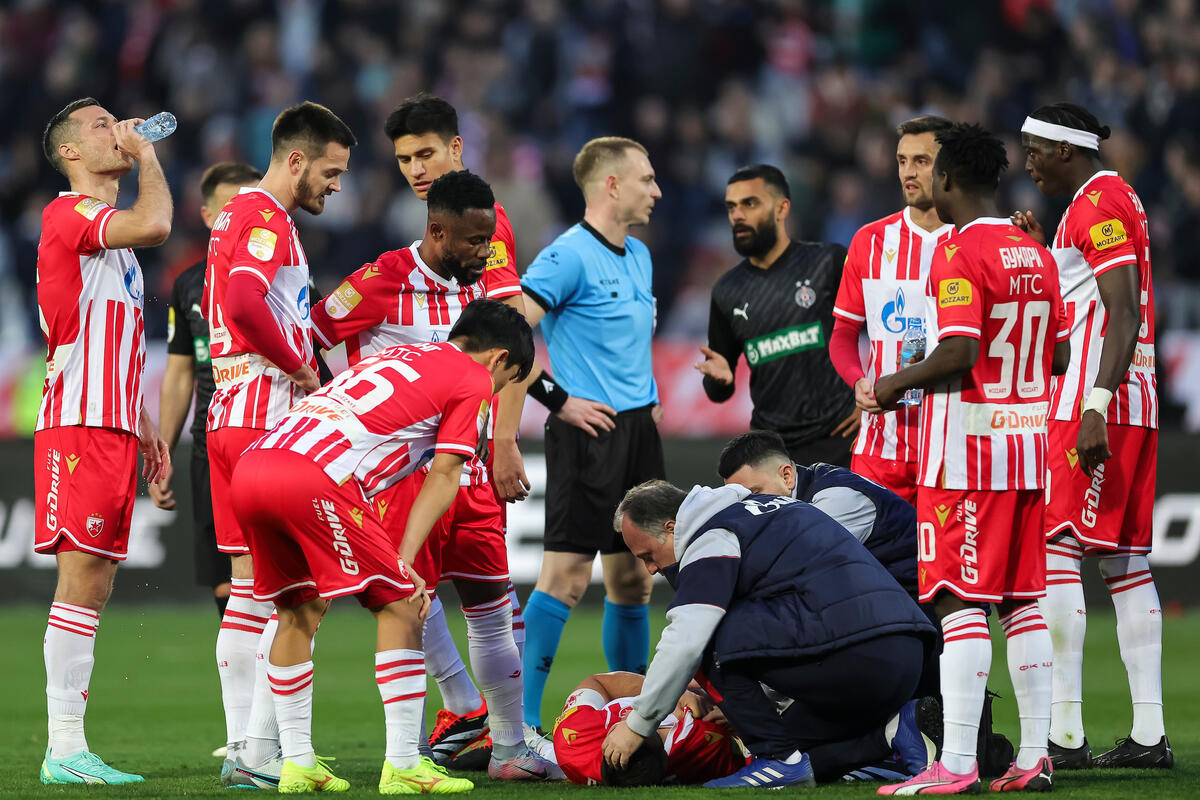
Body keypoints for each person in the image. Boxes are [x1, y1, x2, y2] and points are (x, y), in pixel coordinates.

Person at [311, 169, 558, 780]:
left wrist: (502, 441)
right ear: (438, 231)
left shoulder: (488, 288)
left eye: (489, 240)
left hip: (469, 472)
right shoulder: (381, 279)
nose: (486, 251)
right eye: (475, 241)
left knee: (492, 608)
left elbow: (515, 363)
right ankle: (411, 753)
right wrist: (342, 408)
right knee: (406, 607)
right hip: (405, 480)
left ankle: (508, 748)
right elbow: (311, 336)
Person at [230, 299, 534, 793]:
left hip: (255, 465)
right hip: (316, 475)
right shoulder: (474, 378)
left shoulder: (395, 355)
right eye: (506, 381)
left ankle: (298, 763)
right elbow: (445, 474)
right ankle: (404, 765)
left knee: (297, 612)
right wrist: (404, 560)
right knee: (403, 605)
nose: (496, 392)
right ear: (499, 358)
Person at [871, 123, 1070, 795]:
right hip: (1027, 448)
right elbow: (1059, 356)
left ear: (947, 178)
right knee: (1022, 603)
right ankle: (1035, 756)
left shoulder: (956, 251)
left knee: (959, 603)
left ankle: (955, 763)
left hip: (966, 457)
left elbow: (958, 351)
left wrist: (893, 384)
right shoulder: (1033, 250)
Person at [373, 93, 546, 768]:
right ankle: (450, 724)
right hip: (409, 455)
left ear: (456, 149)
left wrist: (503, 441)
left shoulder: (485, 225)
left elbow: (512, 336)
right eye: (404, 159)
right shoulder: (409, 240)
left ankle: (498, 733)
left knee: (483, 598)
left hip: (465, 451)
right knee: (408, 590)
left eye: (426, 154)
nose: (415, 169)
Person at [1015, 102, 1171, 770]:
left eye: (1034, 150)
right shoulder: (1109, 199)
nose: (1027, 162)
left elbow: (1123, 309)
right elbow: (1082, 302)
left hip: (1094, 402)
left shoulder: (1097, 203)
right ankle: (1148, 736)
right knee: (1125, 562)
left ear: (1065, 150)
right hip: (1133, 399)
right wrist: (1041, 251)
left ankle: (1066, 734)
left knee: (1057, 549)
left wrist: (1095, 405)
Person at [601, 480, 936, 789]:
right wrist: (746, 707)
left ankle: (777, 759)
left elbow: (687, 639)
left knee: (706, 632)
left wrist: (638, 724)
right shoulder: (766, 509)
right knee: (791, 744)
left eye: (648, 555)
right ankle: (895, 733)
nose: (650, 569)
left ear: (671, 527)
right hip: (904, 651)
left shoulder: (711, 535)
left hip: (859, 653)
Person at [204, 101, 355, 785]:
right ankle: (265, 750)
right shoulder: (266, 216)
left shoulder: (234, 214)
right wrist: (301, 366)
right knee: (298, 595)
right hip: (267, 421)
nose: (336, 185)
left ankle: (245, 748)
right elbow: (243, 302)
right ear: (296, 160)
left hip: (229, 414)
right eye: (330, 171)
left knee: (249, 591)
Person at [35, 98, 171, 785]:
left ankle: (71, 746)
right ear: (70, 152)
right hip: (78, 423)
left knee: (97, 584)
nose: (116, 130)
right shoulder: (68, 214)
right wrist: (148, 155)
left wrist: (144, 421)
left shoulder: (115, 250)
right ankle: (63, 748)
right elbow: (158, 222)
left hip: (113, 423)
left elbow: (112, 338)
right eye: (100, 125)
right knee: (80, 578)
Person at [518, 136, 664, 731]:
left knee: (633, 580)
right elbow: (505, 335)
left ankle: (631, 714)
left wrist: (649, 402)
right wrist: (558, 400)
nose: (656, 191)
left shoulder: (640, 254)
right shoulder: (568, 256)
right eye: (646, 179)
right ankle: (519, 727)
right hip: (588, 435)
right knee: (567, 579)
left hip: (639, 432)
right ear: (611, 184)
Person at [149, 163, 261, 623]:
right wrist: (163, 453)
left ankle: (279, 666)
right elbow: (180, 374)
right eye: (232, 207)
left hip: (269, 436)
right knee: (225, 578)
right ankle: (247, 670)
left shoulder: (286, 272)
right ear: (209, 215)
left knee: (279, 573)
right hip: (211, 444)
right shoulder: (189, 284)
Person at [695, 164, 859, 467]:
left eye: (750, 203)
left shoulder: (829, 261)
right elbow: (718, 390)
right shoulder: (727, 291)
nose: (737, 215)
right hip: (772, 451)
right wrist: (719, 381)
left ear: (782, 208)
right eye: (731, 207)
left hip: (839, 439)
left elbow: (884, 329)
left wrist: (872, 395)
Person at [830, 117, 957, 502]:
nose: (908, 172)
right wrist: (858, 381)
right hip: (881, 447)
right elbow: (843, 333)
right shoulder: (869, 241)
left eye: (921, 161)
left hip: (953, 447)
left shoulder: (974, 239)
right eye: (902, 161)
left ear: (949, 167)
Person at [716, 430, 917, 598]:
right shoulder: (806, 488)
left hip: (917, 607)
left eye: (756, 493)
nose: (749, 506)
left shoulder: (837, 499)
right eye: (741, 500)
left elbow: (793, 570)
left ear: (786, 476)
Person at [551, 671, 747, 786]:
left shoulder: (574, 741)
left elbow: (598, 682)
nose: (626, 722)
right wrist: (738, 718)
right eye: (636, 734)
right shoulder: (704, 743)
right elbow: (754, 753)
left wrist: (667, 692)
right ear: (665, 756)